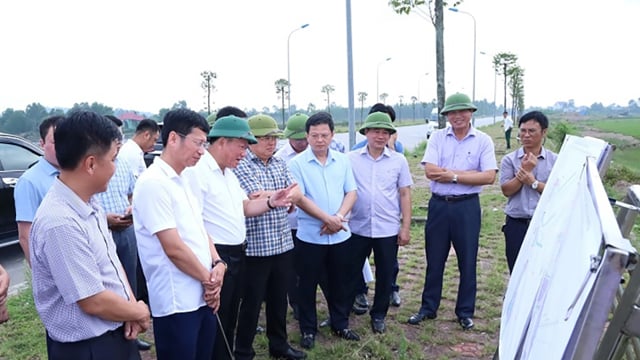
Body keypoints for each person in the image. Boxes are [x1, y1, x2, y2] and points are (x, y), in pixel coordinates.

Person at [30, 111, 151, 360]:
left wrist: (128, 306)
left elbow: (111, 264)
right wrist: (137, 311)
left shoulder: (90, 203)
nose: (116, 169)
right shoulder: (60, 222)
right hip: (88, 348)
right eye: (113, 159)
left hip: (115, 330)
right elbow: (92, 300)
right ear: (91, 164)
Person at [181, 112, 297, 360]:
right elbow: (194, 221)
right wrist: (215, 260)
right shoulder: (198, 172)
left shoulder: (228, 173)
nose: (244, 153)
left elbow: (245, 207)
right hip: (216, 255)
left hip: (236, 253)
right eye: (242, 147)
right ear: (222, 142)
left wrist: (271, 202)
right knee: (217, 319)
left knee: (230, 315)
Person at [133, 108, 224, 359]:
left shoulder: (187, 178)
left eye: (204, 144)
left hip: (203, 294)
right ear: (173, 138)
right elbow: (172, 247)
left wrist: (218, 263)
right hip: (177, 300)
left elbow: (199, 228)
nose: (202, 151)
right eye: (197, 143)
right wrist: (209, 281)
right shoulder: (154, 183)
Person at [408, 93, 497, 330]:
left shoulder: (483, 140)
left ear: (471, 113)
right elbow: (430, 171)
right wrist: (468, 176)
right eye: (452, 113)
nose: (457, 117)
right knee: (434, 259)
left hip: (467, 207)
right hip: (438, 205)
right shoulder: (437, 137)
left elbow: (489, 176)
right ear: (446, 116)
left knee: (467, 260)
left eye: (462, 112)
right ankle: (428, 308)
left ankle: (465, 312)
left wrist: (453, 176)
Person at [232, 114, 306, 360]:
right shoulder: (242, 164)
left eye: (273, 137)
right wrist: (283, 196)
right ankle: (243, 350)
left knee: (278, 300)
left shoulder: (279, 162)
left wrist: (281, 195)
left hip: (282, 243)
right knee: (251, 304)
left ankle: (279, 345)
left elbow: (295, 191)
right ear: (250, 140)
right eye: (264, 138)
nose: (271, 143)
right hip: (255, 247)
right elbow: (255, 195)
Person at [288, 111, 359, 349]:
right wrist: (327, 219)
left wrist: (337, 218)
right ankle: (309, 330)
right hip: (310, 236)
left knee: (341, 283)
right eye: (315, 135)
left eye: (324, 135)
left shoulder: (343, 160)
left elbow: (351, 192)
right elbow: (300, 198)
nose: (320, 139)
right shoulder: (296, 164)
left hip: (340, 234)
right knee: (306, 286)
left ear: (332, 135)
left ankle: (341, 324)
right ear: (307, 136)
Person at [347, 112, 413, 334]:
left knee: (386, 273)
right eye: (376, 131)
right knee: (350, 271)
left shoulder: (398, 160)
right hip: (357, 226)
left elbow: (404, 193)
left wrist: (405, 227)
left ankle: (379, 315)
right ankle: (343, 312)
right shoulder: (351, 158)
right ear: (366, 133)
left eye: (385, 132)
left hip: (387, 228)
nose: (380, 136)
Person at [96, 115, 151, 351]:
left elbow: (131, 194)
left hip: (126, 230)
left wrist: (130, 208)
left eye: (119, 138)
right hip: (102, 230)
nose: (118, 143)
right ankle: (111, 327)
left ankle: (131, 327)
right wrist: (106, 219)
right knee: (105, 283)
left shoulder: (122, 164)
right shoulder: (95, 165)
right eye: (114, 138)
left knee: (128, 278)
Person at [500, 111, 557, 272]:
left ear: (544, 132)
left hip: (545, 225)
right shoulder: (510, 160)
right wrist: (524, 170)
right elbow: (507, 191)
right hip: (516, 223)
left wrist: (533, 183)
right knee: (516, 269)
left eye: (531, 131)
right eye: (523, 130)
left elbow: (557, 193)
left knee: (542, 271)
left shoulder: (556, 161)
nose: (526, 135)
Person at [14, 115, 63, 266]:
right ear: (42, 144)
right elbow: (26, 236)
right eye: (56, 142)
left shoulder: (74, 174)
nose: (63, 147)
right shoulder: (29, 181)